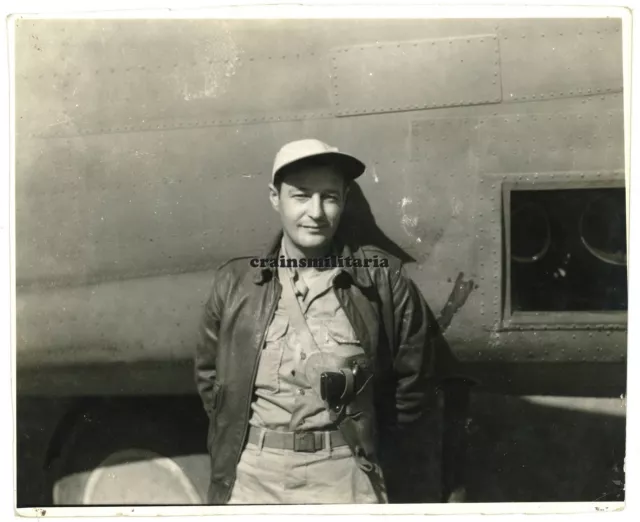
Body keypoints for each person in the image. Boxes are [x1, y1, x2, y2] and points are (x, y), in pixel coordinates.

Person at [195, 138, 445, 505]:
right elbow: (210, 381)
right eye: (301, 195)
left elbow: (413, 386)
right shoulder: (235, 284)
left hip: (345, 475)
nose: (316, 212)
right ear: (274, 197)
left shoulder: (382, 281)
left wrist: (366, 446)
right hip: (253, 477)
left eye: (329, 196)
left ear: (343, 200)